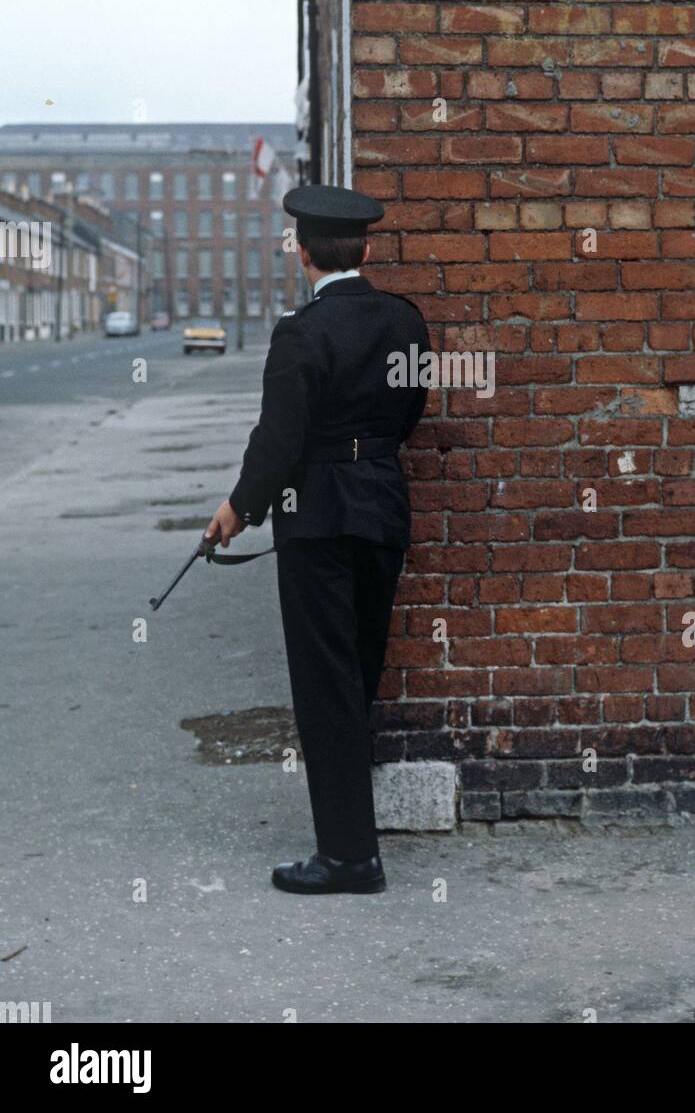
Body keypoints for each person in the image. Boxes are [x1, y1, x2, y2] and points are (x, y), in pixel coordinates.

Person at [205, 185, 429, 895]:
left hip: (320, 519)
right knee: (356, 676)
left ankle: (348, 857)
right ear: (364, 249)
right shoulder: (406, 321)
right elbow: (411, 410)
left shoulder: (300, 333)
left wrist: (239, 508)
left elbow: (279, 440)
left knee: (325, 686)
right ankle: (350, 838)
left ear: (302, 253)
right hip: (383, 509)